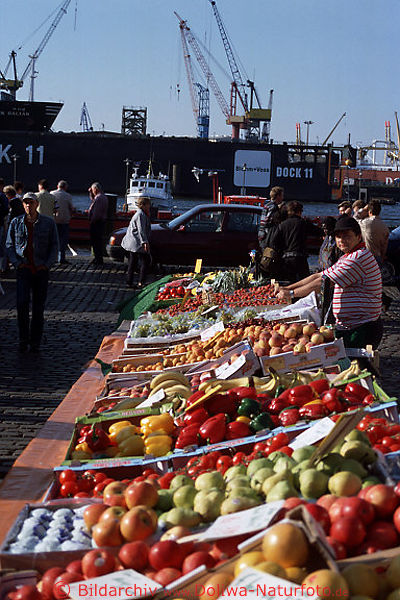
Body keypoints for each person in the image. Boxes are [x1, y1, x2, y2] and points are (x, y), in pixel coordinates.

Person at [277, 216, 383, 349]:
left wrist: (292, 294)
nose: (341, 240)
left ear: (358, 236)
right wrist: (287, 288)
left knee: (358, 366)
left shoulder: (358, 257)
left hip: (362, 327)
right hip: (350, 326)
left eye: (346, 236)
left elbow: (325, 283)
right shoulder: (347, 256)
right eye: (338, 236)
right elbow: (318, 276)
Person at [6, 192, 59, 352]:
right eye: (26, 203)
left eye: (31, 203)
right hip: (24, 269)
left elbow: (54, 245)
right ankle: (23, 339)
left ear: (37, 204)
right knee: (21, 304)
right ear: (23, 205)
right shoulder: (16, 223)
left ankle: (35, 341)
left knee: (38, 307)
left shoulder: (48, 223)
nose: (29, 205)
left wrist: (47, 264)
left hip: (41, 270)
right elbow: (9, 245)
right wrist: (17, 263)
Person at [271, 201, 315, 283]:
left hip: (287, 259)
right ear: (299, 211)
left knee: (288, 283)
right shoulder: (303, 223)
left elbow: (274, 242)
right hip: (301, 258)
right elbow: (317, 231)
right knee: (304, 283)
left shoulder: (282, 225)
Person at [121, 197, 151, 288]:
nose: (150, 206)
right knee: (145, 261)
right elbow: (141, 230)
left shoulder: (141, 214)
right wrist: (145, 242)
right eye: (148, 204)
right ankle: (141, 281)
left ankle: (129, 281)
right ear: (144, 205)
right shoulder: (140, 215)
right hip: (136, 243)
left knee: (133, 262)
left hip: (134, 242)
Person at [318, 216, 342, 324]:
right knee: (323, 300)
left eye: (326, 228)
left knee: (330, 301)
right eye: (323, 228)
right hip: (324, 273)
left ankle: (330, 321)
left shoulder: (337, 242)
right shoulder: (327, 239)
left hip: (333, 275)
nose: (324, 231)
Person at [257, 186, 285, 276]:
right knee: (269, 258)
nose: (283, 198)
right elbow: (269, 222)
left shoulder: (267, 205)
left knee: (263, 257)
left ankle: (261, 274)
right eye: (282, 195)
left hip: (261, 235)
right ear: (278, 196)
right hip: (267, 237)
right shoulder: (273, 207)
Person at [51, 180, 74, 263]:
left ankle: (53, 258)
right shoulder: (68, 196)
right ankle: (62, 258)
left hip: (54, 220)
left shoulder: (52, 194)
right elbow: (71, 208)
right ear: (65, 187)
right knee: (63, 240)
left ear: (58, 186)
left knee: (53, 240)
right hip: (64, 221)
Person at [88, 182, 108, 265]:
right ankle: (97, 258)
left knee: (95, 242)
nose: (92, 191)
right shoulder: (103, 197)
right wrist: (90, 193)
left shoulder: (99, 198)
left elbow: (96, 213)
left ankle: (98, 259)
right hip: (101, 222)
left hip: (96, 223)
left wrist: (92, 221)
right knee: (98, 242)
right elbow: (93, 201)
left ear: (96, 189)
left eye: (92, 190)